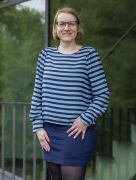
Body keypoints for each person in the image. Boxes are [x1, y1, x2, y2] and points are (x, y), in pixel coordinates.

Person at [29, 7, 110, 180]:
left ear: (78, 28)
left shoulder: (89, 55)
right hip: (48, 133)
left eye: (71, 23)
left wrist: (84, 119)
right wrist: (38, 127)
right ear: (55, 28)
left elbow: (102, 96)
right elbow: (37, 95)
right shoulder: (45, 55)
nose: (67, 28)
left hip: (76, 133)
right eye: (62, 23)